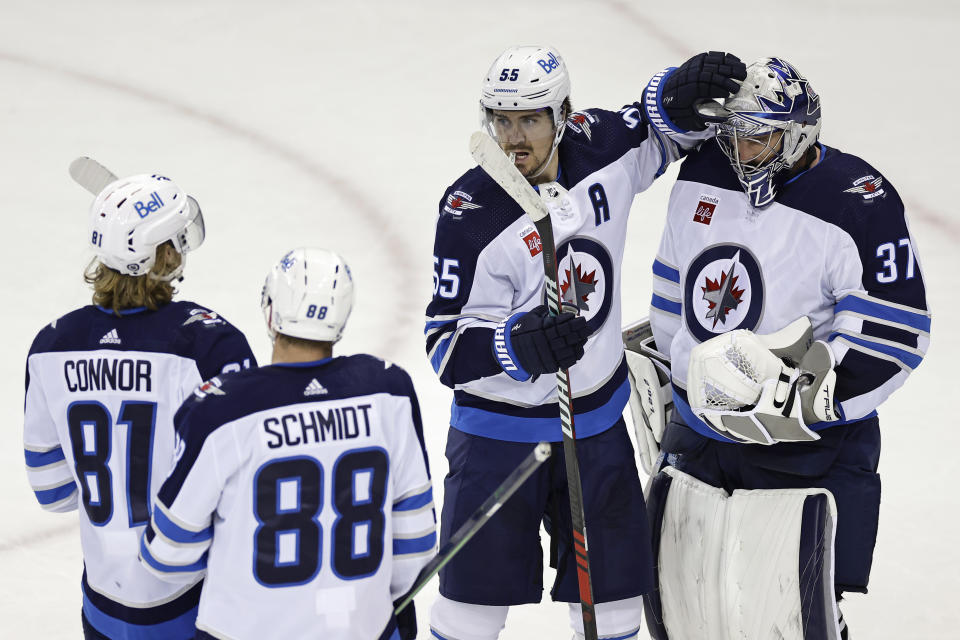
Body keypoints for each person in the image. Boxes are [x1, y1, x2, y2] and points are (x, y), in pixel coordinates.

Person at [424, 46, 746, 639]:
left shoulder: (598, 148)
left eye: (529, 120)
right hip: (499, 440)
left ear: (563, 115)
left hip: (595, 429)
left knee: (616, 610)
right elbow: (445, 347)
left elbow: (656, 128)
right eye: (500, 119)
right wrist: (515, 346)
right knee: (469, 616)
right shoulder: (468, 210)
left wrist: (676, 88)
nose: (512, 138)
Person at [636, 56, 930, 639]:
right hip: (701, 441)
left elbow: (897, 333)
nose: (741, 152)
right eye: (733, 135)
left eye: (759, 136)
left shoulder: (857, 201)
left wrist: (805, 397)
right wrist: (673, 373)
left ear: (797, 133)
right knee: (692, 607)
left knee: (789, 618)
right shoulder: (702, 175)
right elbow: (674, 290)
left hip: (802, 452)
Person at [139, 248, 435, 640]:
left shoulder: (223, 410)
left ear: (270, 313)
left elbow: (166, 554)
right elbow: (417, 544)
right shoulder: (388, 391)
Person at [23, 171, 256, 639]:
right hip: (195, 605)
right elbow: (249, 494)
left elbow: (52, 492)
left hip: (103, 607)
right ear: (164, 254)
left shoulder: (51, 346)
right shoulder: (210, 345)